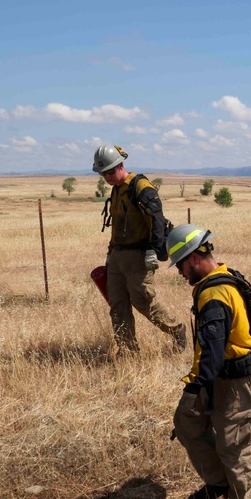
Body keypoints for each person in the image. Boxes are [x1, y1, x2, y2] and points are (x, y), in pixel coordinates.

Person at [167, 224, 251, 499]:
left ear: (194, 258)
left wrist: (195, 388)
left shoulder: (214, 295)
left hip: (232, 379)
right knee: (187, 424)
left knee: (232, 442)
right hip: (218, 375)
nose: (180, 273)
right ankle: (219, 483)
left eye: (180, 265)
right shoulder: (224, 275)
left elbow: (213, 351)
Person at [93, 144, 187, 354]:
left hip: (139, 256)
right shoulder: (117, 190)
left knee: (143, 301)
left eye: (109, 171)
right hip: (118, 256)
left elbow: (157, 221)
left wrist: (153, 250)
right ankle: (128, 351)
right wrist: (110, 254)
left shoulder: (141, 187)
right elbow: (117, 226)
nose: (106, 176)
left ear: (120, 165)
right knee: (117, 307)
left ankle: (176, 330)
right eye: (103, 173)